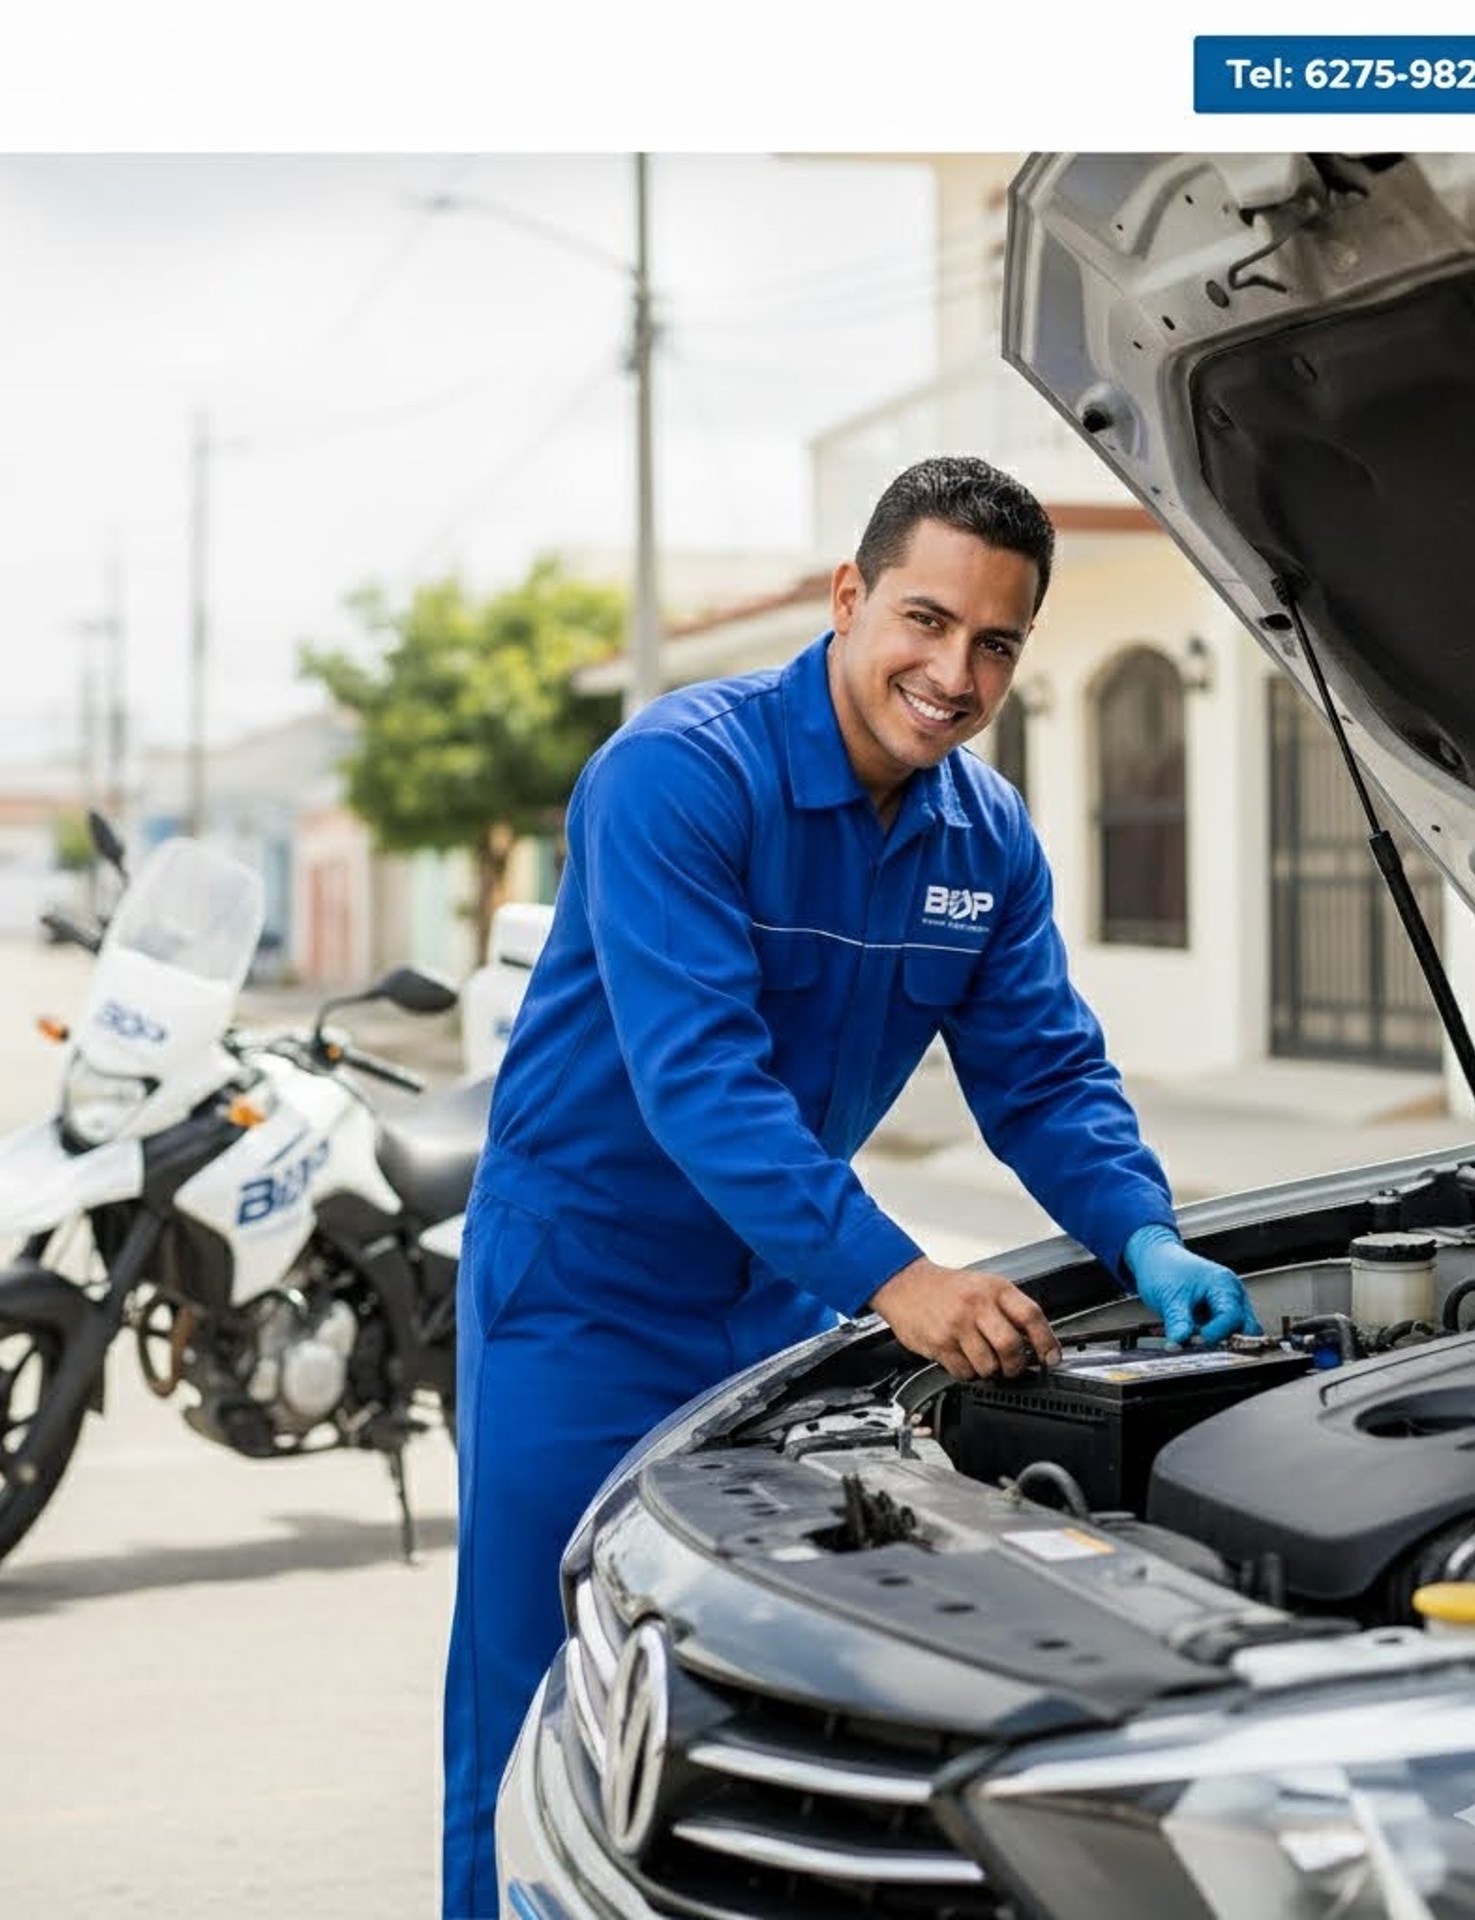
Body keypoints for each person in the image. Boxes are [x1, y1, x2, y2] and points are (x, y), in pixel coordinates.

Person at [440, 454, 1260, 1918]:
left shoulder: (985, 842)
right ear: (848, 597)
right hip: (579, 1291)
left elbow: (1046, 1078)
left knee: (748, 1686)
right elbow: (702, 1082)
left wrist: (1145, 1234)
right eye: (926, 621)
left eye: (997, 642)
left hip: (773, 1302)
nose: (955, 673)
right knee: (542, 1686)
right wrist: (905, 1281)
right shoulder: (681, 776)